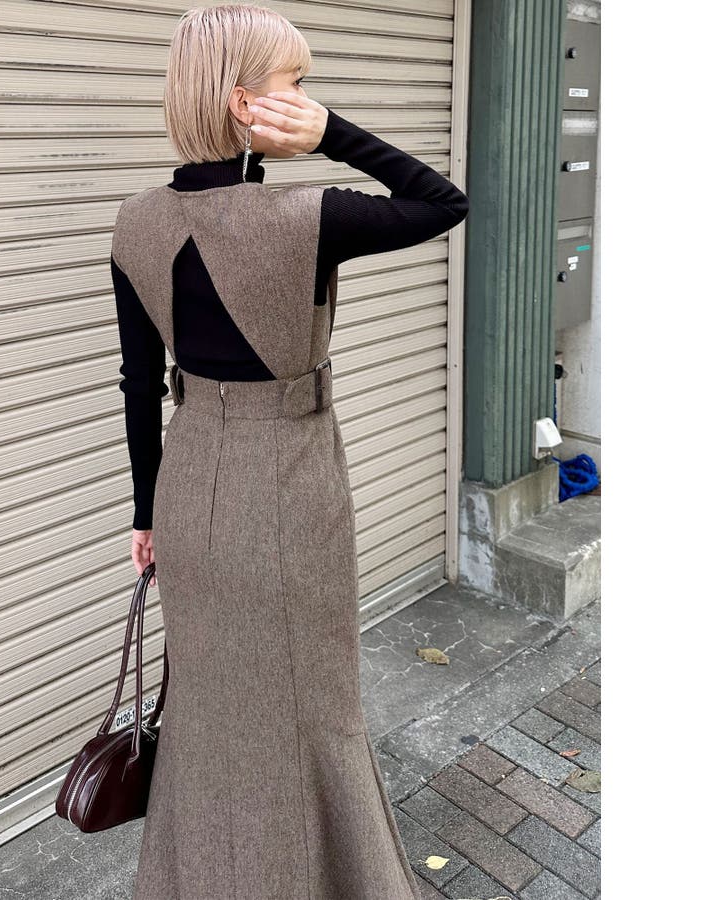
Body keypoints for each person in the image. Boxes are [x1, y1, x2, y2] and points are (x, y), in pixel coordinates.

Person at [109, 5, 469, 898]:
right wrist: (335, 134)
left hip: (189, 482)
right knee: (313, 707)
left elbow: (138, 385)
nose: (309, 96)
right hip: (290, 481)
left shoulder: (134, 223)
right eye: (296, 83)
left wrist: (147, 517)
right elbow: (443, 202)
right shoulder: (308, 216)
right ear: (246, 104)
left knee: (207, 711)